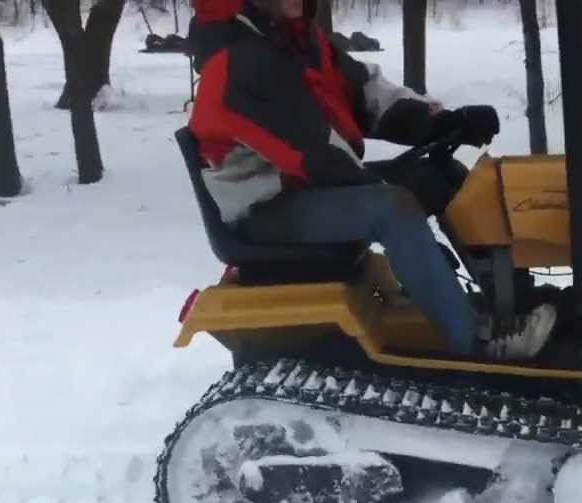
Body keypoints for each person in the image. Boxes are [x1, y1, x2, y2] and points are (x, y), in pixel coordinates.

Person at [187, 0, 556, 361]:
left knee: (438, 175)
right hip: (266, 205)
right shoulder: (240, 62)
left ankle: (504, 302)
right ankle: (476, 342)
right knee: (393, 209)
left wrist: (442, 122)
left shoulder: (296, 42)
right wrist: (408, 232)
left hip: (301, 182)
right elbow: (314, 150)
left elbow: (365, 93)